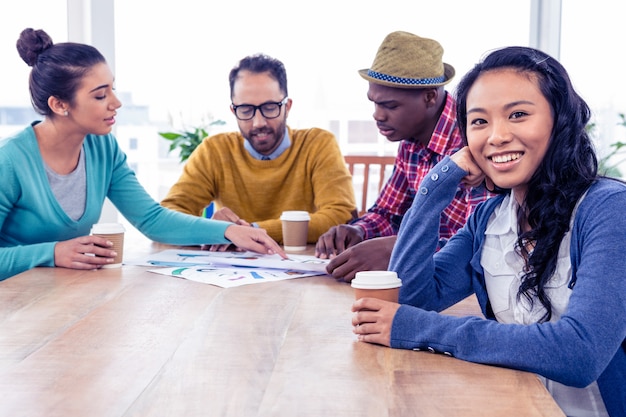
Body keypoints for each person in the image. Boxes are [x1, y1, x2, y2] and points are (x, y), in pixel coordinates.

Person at [352, 46, 625, 417]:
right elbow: (412, 299)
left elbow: (580, 352)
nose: (496, 136)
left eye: (518, 115)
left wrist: (425, 329)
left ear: (558, 119)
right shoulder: (488, 218)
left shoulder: (609, 208)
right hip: (515, 404)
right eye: (479, 122)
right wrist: (437, 185)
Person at [0, 28, 286, 282]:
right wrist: (52, 253)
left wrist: (226, 231)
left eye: (113, 88)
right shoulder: (11, 160)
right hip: (13, 312)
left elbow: (151, 219)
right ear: (59, 104)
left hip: (58, 296)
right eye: (100, 96)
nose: (116, 102)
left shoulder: (103, 149)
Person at [315, 31, 490, 281]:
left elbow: (479, 244)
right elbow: (389, 213)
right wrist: (358, 230)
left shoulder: (474, 140)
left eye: (390, 105)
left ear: (430, 96)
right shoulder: (410, 139)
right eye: (374, 103)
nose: (377, 115)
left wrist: (398, 248)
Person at [161, 54, 356, 249]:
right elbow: (168, 215)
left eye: (270, 108)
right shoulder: (214, 150)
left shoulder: (318, 144)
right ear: (233, 111)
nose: (258, 122)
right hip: (229, 271)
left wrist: (248, 231)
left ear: (287, 107)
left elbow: (341, 215)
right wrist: (215, 230)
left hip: (300, 267)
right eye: (246, 110)